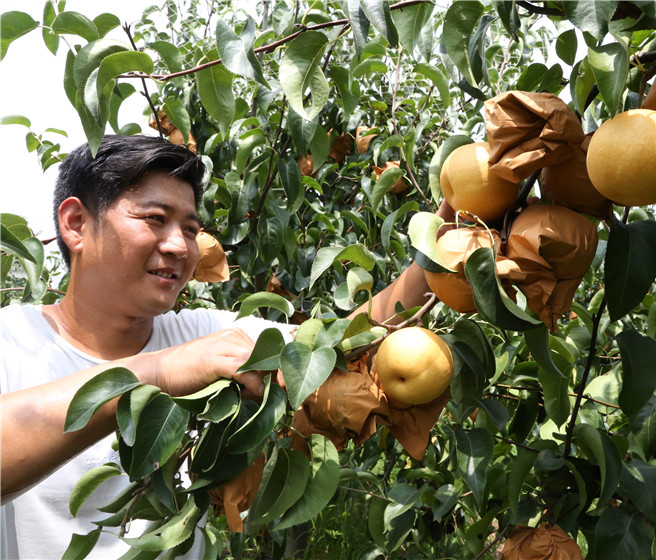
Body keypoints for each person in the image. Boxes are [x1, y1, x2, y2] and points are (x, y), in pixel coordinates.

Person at [0, 135, 442, 559]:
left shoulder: (202, 333)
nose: (179, 245)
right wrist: (160, 372)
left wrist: (443, 243)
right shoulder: (13, 341)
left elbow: (338, 343)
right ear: (76, 223)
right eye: (155, 218)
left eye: (190, 228)